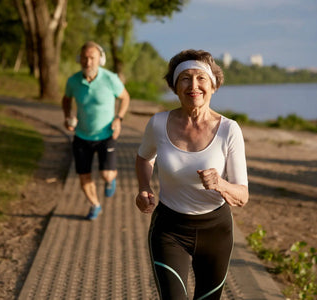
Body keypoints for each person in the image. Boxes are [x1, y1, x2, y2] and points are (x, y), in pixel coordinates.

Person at [135, 49, 249, 300]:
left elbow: (242, 195)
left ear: (214, 85)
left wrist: (220, 183)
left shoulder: (229, 130)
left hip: (216, 232)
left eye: (201, 78)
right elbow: (145, 157)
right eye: (185, 78)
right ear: (175, 87)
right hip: (169, 229)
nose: (193, 85)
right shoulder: (158, 123)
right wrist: (144, 188)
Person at [62, 41, 130, 221]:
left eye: (92, 58)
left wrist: (119, 118)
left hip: (106, 135)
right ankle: (95, 205)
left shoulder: (110, 79)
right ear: (79, 59)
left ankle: (109, 180)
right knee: (84, 177)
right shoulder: (73, 81)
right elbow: (66, 99)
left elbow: (125, 98)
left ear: (101, 59)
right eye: (84, 58)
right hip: (81, 136)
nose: (88, 62)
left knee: (106, 174)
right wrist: (68, 116)